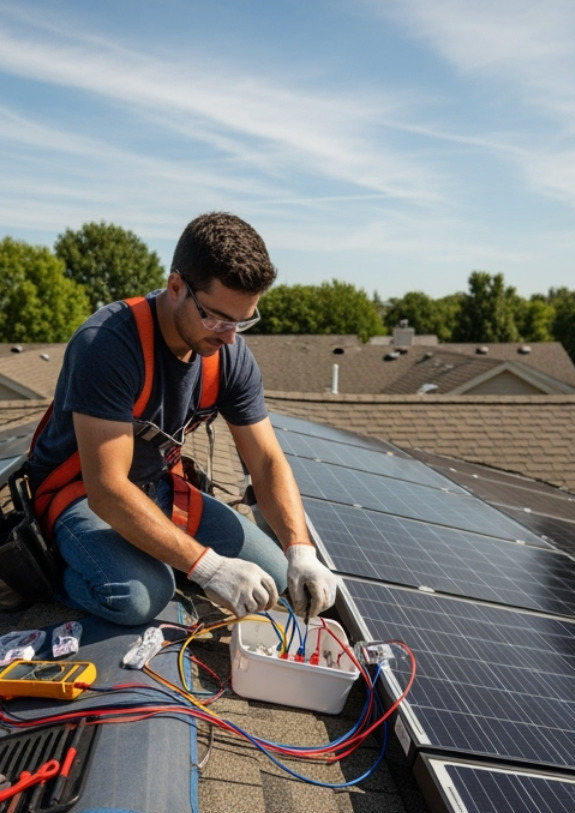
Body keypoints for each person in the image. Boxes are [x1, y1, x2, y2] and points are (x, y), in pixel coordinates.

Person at [18, 212, 338, 627]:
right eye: (217, 318)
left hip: (158, 489)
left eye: (242, 321)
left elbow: (266, 461)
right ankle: (43, 575)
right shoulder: (108, 345)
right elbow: (107, 489)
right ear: (176, 287)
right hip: (79, 496)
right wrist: (210, 568)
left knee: (275, 579)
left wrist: (301, 550)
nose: (229, 336)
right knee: (141, 597)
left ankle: (164, 557)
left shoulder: (226, 353)